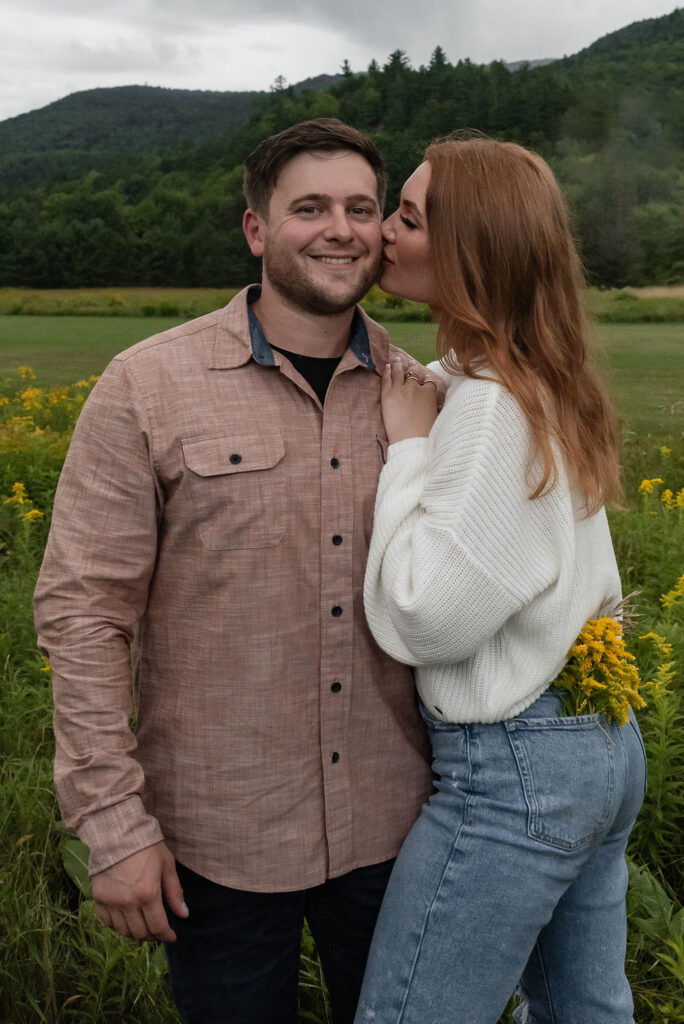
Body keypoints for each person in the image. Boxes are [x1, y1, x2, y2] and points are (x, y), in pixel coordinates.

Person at [33, 118, 437, 1024]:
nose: (340, 228)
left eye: (362, 208)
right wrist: (111, 826)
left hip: (398, 830)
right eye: (310, 208)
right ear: (256, 229)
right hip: (216, 838)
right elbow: (84, 614)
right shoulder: (146, 384)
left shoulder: (424, 394)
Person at [354, 134, 647, 1024]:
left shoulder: (485, 408)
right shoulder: (536, 375)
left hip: (515, 769)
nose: (385, 235)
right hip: (598, 738)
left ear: (467, 252)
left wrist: (406, 448)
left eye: (406, 218)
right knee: (585, 1013)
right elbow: (464, 383)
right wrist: (426, 387)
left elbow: (427, 619)